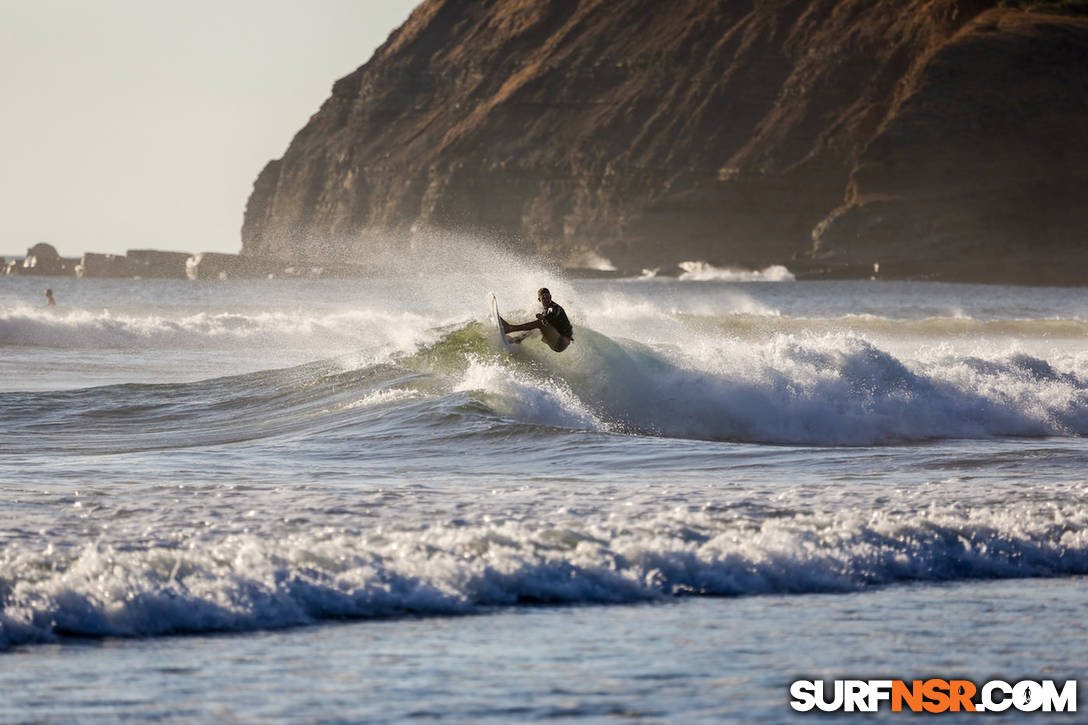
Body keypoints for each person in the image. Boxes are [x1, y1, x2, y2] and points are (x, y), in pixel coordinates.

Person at [501, 287, 573, 352]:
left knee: (541, 323)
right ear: (539, 299)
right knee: (539, 325)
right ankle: (517, 339)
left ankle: (510, 328)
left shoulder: (556, 308)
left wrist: (544, 318)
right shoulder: (546, 310)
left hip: (562, 342)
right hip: (556, 341)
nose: (546, 300)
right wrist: (544, 318)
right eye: (543, 298)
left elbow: (553, 314)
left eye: (548, 297)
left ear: (550, 297)